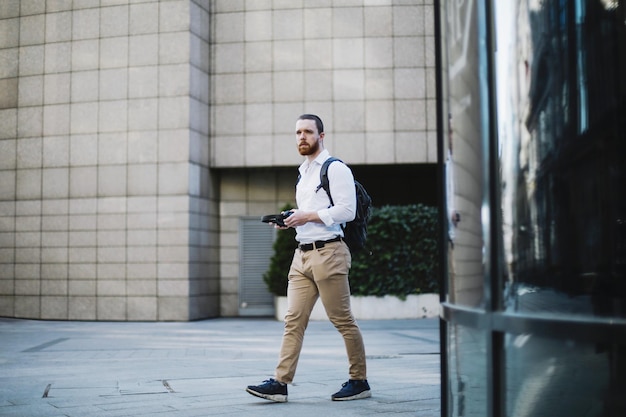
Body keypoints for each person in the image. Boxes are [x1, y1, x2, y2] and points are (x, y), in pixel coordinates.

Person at [246, 114, 371, 403]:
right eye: (298, 132)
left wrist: (307, 215)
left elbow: (346, 211)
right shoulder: (303, 173)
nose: (302, 137)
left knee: (342, 319)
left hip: (329, 253)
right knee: (293, 320)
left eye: (308, 132)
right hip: (301, 255)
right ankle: (280, 382)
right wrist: (290, 220)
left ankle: (359, 380)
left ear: (321, 136)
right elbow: (309, 215)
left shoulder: (336, 169)